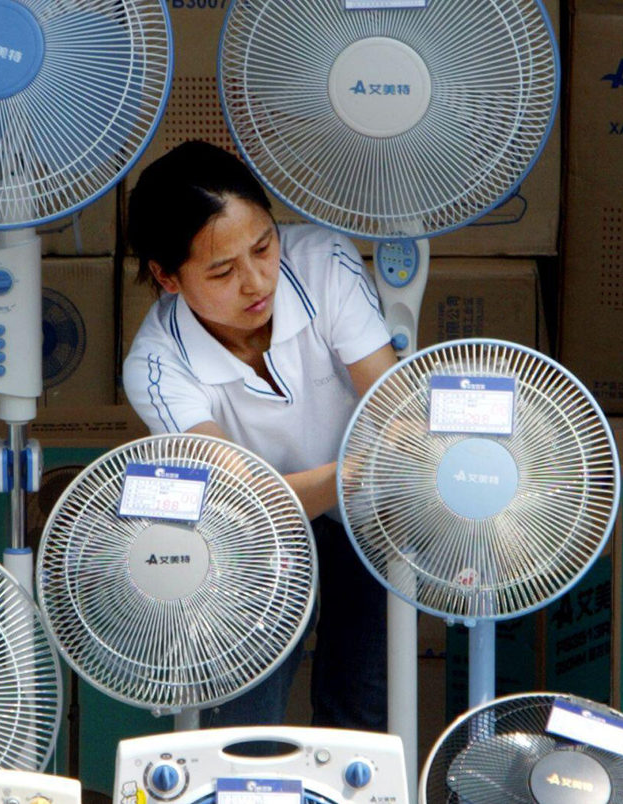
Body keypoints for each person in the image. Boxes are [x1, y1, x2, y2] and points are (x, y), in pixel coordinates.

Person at [120, 140, 395, 732]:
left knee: (365, 703)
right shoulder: (157, 366)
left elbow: (394, 402)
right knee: (245, 719)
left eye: (264, 247)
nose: (255, 282)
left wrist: (369, 472)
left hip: (371, 515)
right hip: (251, 544)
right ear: (167, 277)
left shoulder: (324, 263)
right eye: (222, 271)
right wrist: (351, 472)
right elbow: (245, 505)